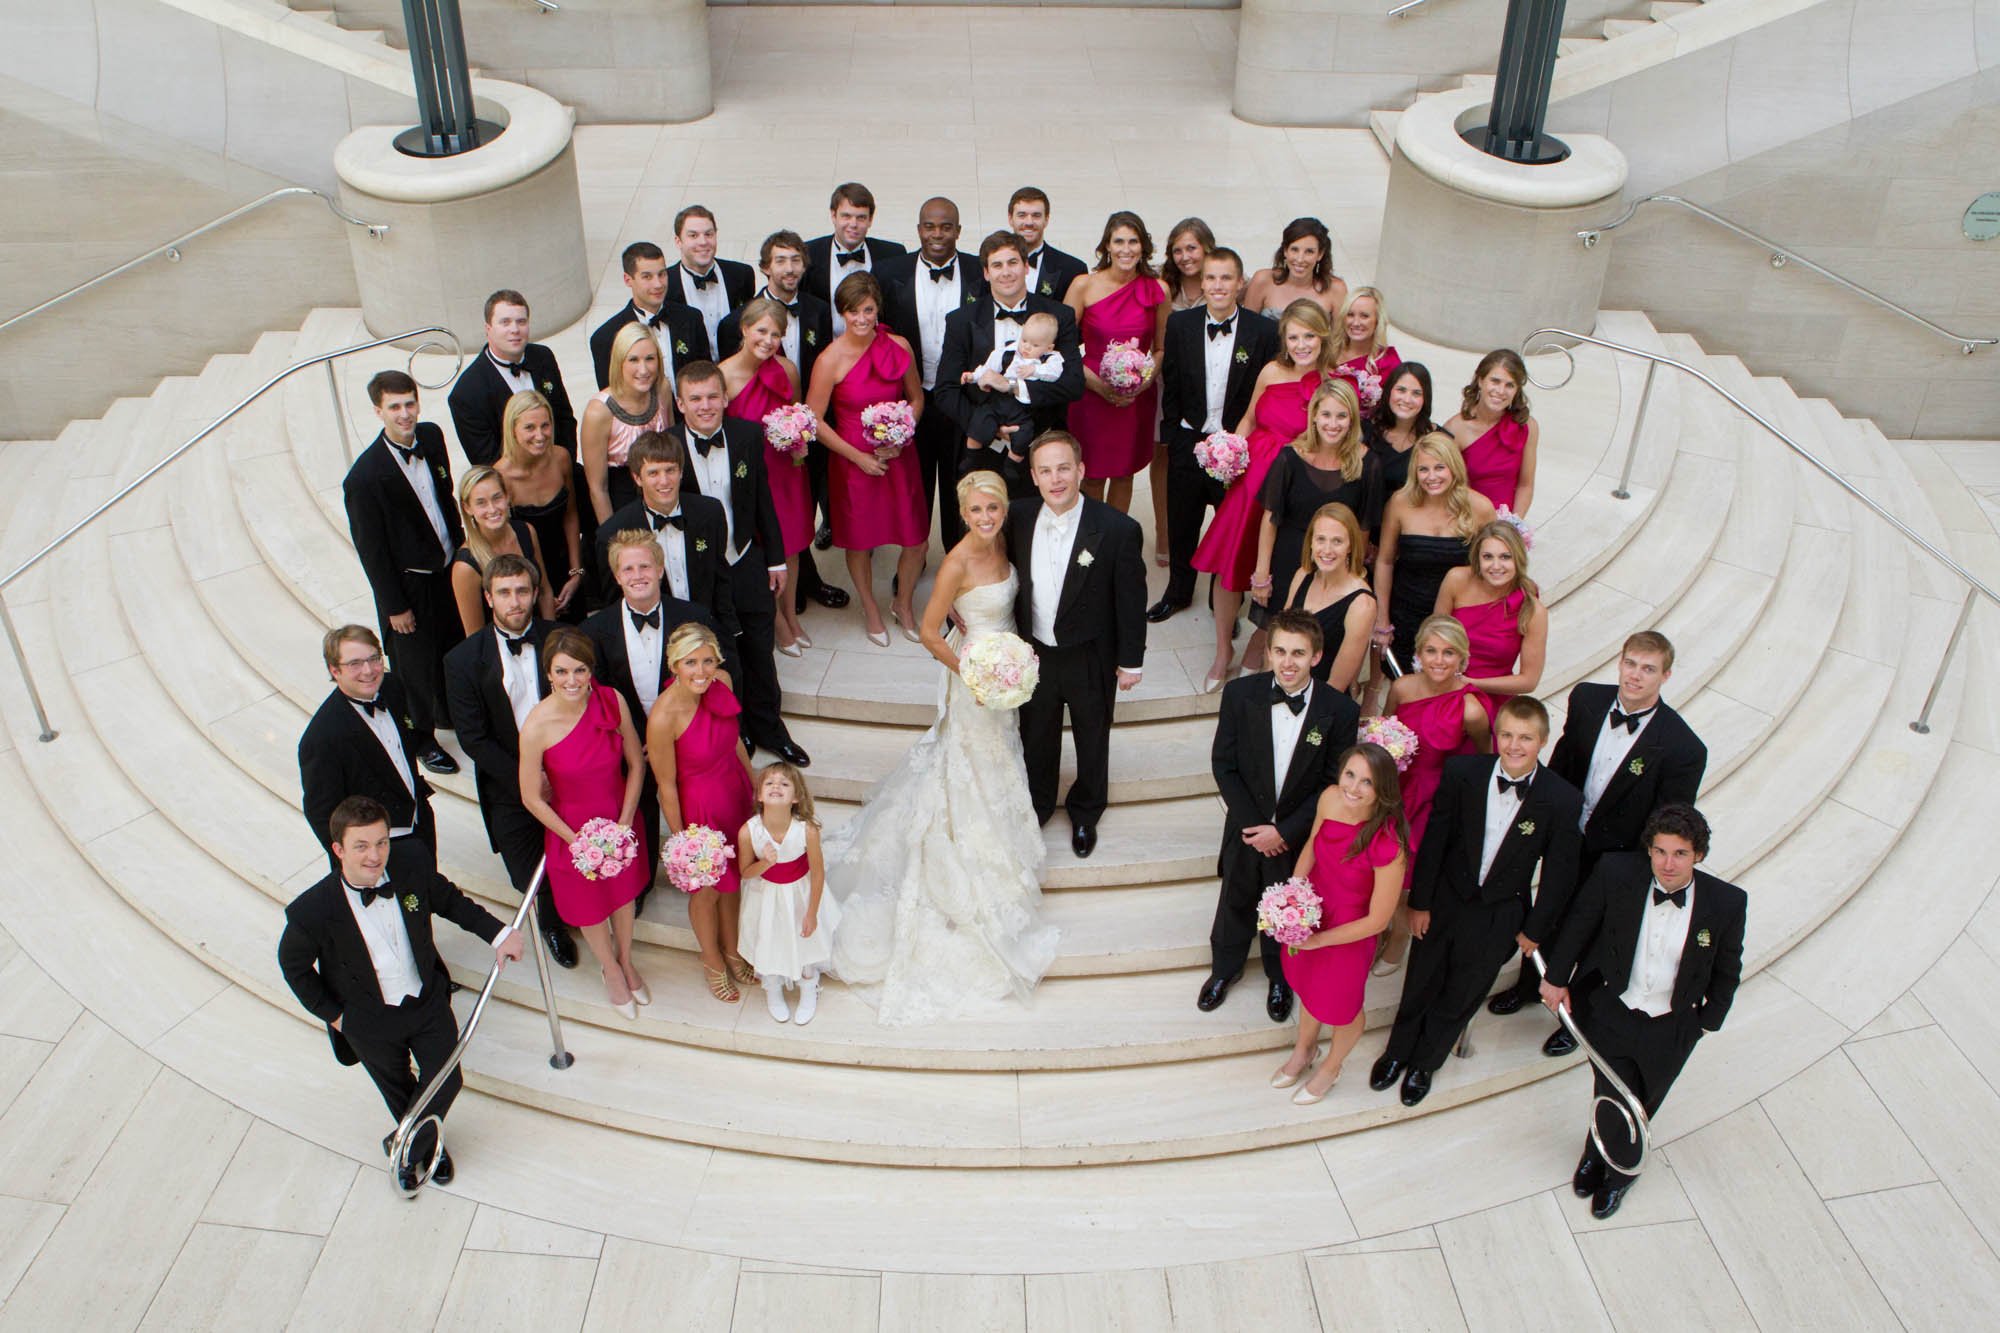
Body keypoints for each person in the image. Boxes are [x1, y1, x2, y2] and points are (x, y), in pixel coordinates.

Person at [823, 470, 1059, 1023]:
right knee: (971, 762)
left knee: (1002, 757)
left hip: (1005, 668)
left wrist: (1007, 668)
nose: (985, 519)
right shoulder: (955, 561)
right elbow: (931, 632)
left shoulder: (1006, 539)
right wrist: (975, 674)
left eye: (993, 510)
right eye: (976, 511)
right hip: (975, 674)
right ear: (962, 512)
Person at [278, 796, 523, 1190]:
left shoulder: (410, 864)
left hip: (425, 1001)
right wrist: (338, 1017)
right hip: (366, 1019)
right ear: (338, 849)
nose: (375, 856)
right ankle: (429, 1150)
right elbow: (293, 967)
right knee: (400, 1090)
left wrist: (498, 933)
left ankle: (405, 1145)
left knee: (447, 1078)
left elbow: (450, 902)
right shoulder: (312, 910)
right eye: (361, 845)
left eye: (381, 842)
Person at [1489, 631, 1707, 1053]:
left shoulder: (1683, 747)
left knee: (1593, 935)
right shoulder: (1587, 699)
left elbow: (1669, 820)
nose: (1636, 676)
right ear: (1620, 662)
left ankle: (1578, 1021)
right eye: (1631, 664)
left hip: (1619, 855)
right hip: (1568, 835)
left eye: (1648, 669)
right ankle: (1529, 985)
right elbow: (1564, 763)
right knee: (1549, 910)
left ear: (1666, 675)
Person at [1369, 695, 1582, 1106]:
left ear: (1543, 741)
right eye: (1506, 734)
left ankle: (1425, 1064)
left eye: (1526, 738)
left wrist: (1534, 929)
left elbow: (1559, 875)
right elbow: (1435, 842)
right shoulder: (1463, 772)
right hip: (1445, 900)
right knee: (1421, 980)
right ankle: (1397, 1052)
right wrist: (1421, 902)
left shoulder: (1562, 799)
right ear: (1496, 734)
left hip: (1500, 914)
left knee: (1463, 992)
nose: (1514, 745)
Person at [1538, 804, 1745, 1219]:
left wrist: (1706, 1022)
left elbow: (1728, 966)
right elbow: (1579, 924)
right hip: (1613, 1009)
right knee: (1613, 1090)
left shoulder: (1726, 902)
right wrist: (1556, 978)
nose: (1668, 864)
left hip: (1673, 1025)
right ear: (1648, 850)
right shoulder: (1615, 874)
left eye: (1680, 853)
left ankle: (1619, 1171)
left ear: (1698, 855)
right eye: (1660, 851)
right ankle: (1602, 1158)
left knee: (1645, 1100)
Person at [1202, 610, 1357, 1022]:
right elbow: (1224, 764)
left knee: (1288, 904)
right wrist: (1256, 827)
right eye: (1281, 651)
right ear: (1268, 652)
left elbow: (1332, 783)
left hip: (1298, 834)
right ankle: (1223, 970)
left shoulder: (1340, 710)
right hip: (1247, 826)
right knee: (1235, 897)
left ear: (1317, 656)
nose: (1288, 662)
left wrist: (1285, 831)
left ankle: (1279, 978)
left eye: (1299, 653)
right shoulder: (1240, 695)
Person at [1007, 433, 1148, 857]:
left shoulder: (1118, 529)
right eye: (1046, 470)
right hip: (1036, 653)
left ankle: (1086, 810)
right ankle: (1039, 803)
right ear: (1033, 476)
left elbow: (1131, 601)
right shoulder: (1017, 517)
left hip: (1091, 655)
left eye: (1064, 468)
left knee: (1092, 736)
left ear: (1081, 470)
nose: (1056, 479)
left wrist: (1131, 662)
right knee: (1038, 735)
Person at [671, 360, 810, 768]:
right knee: (720, 652)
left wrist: (776, 560)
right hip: (701, 569)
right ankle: (738, 728)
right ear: (680, 403)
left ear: (725, 397)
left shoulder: (747, 435)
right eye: (695, 399)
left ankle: (770, 727)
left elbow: (762, 500)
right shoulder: (670, 446)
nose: (706, 405)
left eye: (713, 396)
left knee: (759, 647)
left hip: (747, 556)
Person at [441, 555, 577, 969]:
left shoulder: (564, 639)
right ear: (488, 598)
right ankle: (552, 922)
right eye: (504, 592)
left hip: (571, 772)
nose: (514, 601)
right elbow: (473, 739)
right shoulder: (462, 660)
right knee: (527, 873)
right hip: (508, 782)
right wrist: (529, 779)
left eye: (521, 591)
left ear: (536, 594)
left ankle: (585, 912)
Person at [1192, 299, 1332, 692]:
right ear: (1283, 338)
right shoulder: (1271, 370)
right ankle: (1222, 650)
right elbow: (1251, 416)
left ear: (1322, 337)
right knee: (1229, 566)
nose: (1302, 344)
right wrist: (1230, 450)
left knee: (1279, 568)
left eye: (1309, 336)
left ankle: (1259, 640)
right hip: (1253, 476)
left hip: (1296, 481)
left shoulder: (1333, 382)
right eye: (1294, 336)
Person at [517, 628, 650, 1018]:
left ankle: (626, 960)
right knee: (591, 908)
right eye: (561, 672)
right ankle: (609, 969)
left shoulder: (612, 700)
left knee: (623, 897)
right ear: (548, 674)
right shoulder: (536, 725)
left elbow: (636, 764)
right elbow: (529, 796)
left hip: (619, 815)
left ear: (591, 670)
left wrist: (624, 823)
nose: (571, 680)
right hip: (570, 832)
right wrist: (577, 840)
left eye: (579, 670)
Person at [580, 528, 723, 879]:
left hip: (687, 741)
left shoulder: (695, 617)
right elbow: (597, 696)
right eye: (628, 569)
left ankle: (703, 868)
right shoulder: (595, 629)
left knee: (696, 808)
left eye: (644, 566)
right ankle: (641, 880)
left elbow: (718, 680)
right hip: (631, 745)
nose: (637, 576)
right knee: (639, 813)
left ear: (660, 569)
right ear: (616, 576)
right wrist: (633, 741)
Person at [1271, 744, 1408, 1105]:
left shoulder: (1389, 845)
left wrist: (1321, 941)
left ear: (1383, 790)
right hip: (1313, 913)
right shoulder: (1330, 798)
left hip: (1350, 930)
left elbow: (1378, 920)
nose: (1354, 787)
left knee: (1344, 1009)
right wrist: (1293, 897)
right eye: (1350, 774)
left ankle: (1331, 1066)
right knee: (1308, 986)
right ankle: (1304, 1050)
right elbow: (1313, 846)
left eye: (1367, 782)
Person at [717, 230, 848, 598]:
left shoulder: (818, 310)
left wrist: (803, 427)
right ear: (765, 267)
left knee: (800, 513)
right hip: (753, 443)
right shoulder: (734, 323)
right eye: (780, 261)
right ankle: (782, 593)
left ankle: (805, 581)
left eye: (795, 261)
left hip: (803, 422)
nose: (789, 269)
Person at [340, 373, 461, 771]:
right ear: (378, 411)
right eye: (394, 407)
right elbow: (372, 552)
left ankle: (453, 714)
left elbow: (446, 498)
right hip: (409, 585)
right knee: (415, 669)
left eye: (409, 403)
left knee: (452, 648)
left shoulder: (432, 437)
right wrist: (395, 605)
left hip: (448, 569)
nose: (404, 414)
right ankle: (422, 739)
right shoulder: (364, 478)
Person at [1151, 248, 1278, 623]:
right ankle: (1178, 591)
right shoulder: (1181, 325)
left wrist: (1244, 445)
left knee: (1232, 531)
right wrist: (1174, 436)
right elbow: (1170, 383)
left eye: (1226, 278)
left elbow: (1264, 394)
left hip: (1237, 449)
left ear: (1240, 283)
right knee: (1182, 524)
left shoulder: (1263, 331)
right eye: (1211, 278)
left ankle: (1223, 604)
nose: (1218, 285)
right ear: (1201, 282)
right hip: (1189, 442)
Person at [807, 271, 928, 646]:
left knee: (917, 539)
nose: (861, 319)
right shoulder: (830, 359)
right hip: (852, 464)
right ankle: (870, 607)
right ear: (842, 313)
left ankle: (903, 603)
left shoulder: (899, 346)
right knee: (859, 542)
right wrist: (858, 457)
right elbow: (813, 419)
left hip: (897, 457)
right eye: (852, 312)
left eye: (868, 310)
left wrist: (904, 433)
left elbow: (917, 398)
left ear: (878, 310)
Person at [647, 622, 758, 1003]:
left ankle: (732, 948)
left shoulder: (721, 682)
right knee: (708, 890)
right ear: (674, 664)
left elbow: (735, 739)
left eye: (707, 661)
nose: (701, 671)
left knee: (736, 880)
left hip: (735, 791)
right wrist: (684, 842)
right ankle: (712, 960)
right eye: (690, 662)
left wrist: (753, 779)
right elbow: (665, 785)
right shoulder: (663, 717)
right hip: (700, 809)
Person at [933, 231, 1086, 498]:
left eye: (1013, 262)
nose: (1006, 272)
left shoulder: (1059, 316)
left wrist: (1016, 387)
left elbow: (1073, 385)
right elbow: (946, 390)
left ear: (1026, 267)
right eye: (997, 265)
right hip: (982, 446)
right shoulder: (960, 320)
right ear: (986, 273)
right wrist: (991, 429)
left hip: (1040, 445)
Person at [882, 197, 988, 548]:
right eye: (930, 226)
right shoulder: (889, 272)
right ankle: (913, 557)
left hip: (962, 398)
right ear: (918, 230)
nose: (937, 234)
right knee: (915, 485)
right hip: (912, 399)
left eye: (946, 227)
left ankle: (959, 561)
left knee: (964, 483)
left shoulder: (980, 272)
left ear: (958, 230)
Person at [299, 624, 440, 875]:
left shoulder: (393, 688)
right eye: (354, 664)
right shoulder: (322, 737)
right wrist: (361, 862)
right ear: (335, 670)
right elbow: (322, 814)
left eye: (373, 659)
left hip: (419, 826)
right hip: (377, 852)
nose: (368, 671)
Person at [719, 297, 815, 656]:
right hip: (749, 477)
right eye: (761, 330)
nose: (768, 340)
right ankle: (775, 621)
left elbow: (799, 414)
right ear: (744, 330)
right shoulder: (724, 376)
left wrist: (800, 443)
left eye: (776, 334)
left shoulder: (787, 370)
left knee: (790, 546)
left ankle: (791, 614)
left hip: (786, 471)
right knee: (760, 550)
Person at [1065, 210, 1169, 513]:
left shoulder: (1158, 289)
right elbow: (1063, 346)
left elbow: (1161, 348)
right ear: (1107, 246)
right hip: (1090, 392)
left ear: (1143, 246)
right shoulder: (1084, 285)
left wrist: (1144, 382)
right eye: (1119, 241)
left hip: (1135, 395)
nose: (1126, 249)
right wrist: (1095, 384)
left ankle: (1116, 542)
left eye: (1133, 241)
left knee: (1124, 474)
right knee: (1092, 475)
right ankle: (1090, 540)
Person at [1253, 378, 1381, 624]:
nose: (1333, 424)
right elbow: (1270, 518)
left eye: (1341, 416)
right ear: (1314, 416)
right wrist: (1262, 574)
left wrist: (1353, 576)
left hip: (1335, 564)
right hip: (1288, 558)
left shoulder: (1369, 464)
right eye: (1326, 415)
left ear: (1352, 419)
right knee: (1276, 635)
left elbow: (1363, 527)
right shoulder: (1289, 458)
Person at [1373, 432, 1496, 675]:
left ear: (1453, 467)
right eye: (1423, 469)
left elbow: (1492, 568)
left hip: (1458, 619)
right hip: (1406, 613)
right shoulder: (1400, 503)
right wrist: (1382, 619)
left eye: (1439, 467)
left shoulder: (1481, 508)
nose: (1431, 477)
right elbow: (1385, 562)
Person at [590, 432, 735, 623]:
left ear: (681, 472)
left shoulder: (710, 513)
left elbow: (720, 581)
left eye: (670, 470)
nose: (664, 481)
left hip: (705, 629)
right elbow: (613, 603)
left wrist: (729, 633)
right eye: (653, 473)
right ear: (637, 478)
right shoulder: (612, 532)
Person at [736, 761, 839, 1025]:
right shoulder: (749, 831)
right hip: (765, 895)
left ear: (795, 797)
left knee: (804, 938)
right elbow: (745, 872)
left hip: (800, 894)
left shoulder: (807, 830)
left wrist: (812, 912)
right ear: (759, 795)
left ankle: (808, 985)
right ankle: (772, 987)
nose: (776, 787)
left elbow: (817, 873)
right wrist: (765, 863)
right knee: (770, 937)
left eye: (784, 783)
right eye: (769, 783)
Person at [448, 289, 578, 468]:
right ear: (488, 329)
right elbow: (487, 460)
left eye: (521, 322)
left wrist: (563, 466)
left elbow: (564, 419)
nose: (515, 330)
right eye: (505, 322)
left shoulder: (543, 357)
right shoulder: (467, 392)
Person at [1154, 217, 1221, 566]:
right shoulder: (1164, 288)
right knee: (1163, 456)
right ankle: (1165, 535)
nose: (1184, 256)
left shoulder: (1225, 287)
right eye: (1177, 249)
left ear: (1207, 248)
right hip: (1171, 382)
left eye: (1191, 247)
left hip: (1214, 388)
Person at [493, 390, 586, 621]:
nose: (540, 435)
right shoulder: (500, 477)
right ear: (512, 429)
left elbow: (571, 515)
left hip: (566, 568)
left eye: (545, 426)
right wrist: (540, 593)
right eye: (529, 428)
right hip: (526, 579)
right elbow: (503, 543)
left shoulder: (561, 458)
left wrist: (576, 573)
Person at [1438, 520, 1546, 699]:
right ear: (1477, 557)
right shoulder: (1456, 579)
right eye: (1488, 557)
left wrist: (1470, 683)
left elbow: (1529, 681)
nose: (1496, 566)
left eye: (1505, 557)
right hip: (1443, 682)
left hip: (1492, 695)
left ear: (1518, 558)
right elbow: (1434, 636)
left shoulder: (1534, 611)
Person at [581, 322, 673, 524]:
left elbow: (671, 448)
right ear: (619, 362)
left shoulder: (662, 390)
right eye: (633, 360)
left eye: (650, 358)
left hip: (663, 495)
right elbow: (598, 488)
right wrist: (614, 539)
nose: (643, 369)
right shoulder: (599, 412)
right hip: (622, 503)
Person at [591, 240, 712, 392]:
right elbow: (612, 396)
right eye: (647, 277)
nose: (658, 284)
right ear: (628, 280)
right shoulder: (606, 337)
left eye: (662, 274)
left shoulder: (691, 318)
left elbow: (705, 375)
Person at [1280, 503, 1376, 690]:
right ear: (1311, 542)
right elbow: (1280, 638)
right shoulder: (1303, 575)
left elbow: (1337, 685)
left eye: (1337, 541)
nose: (1327, 550)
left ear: (1350, 546)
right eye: (1321, 539)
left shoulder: (1362, 603)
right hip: (1285, 683)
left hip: (1322, 699)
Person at [450, 465, 554, 635]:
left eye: (497, 498)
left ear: (507, 497)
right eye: (481, 503)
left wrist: (551, 639)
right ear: (468, 508)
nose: (492, 509)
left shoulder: (526, 532)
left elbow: (544, 592)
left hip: (539, 634)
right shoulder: (465, 566)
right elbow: (475, 635)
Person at [1445, 349, 1540, 517]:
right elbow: (1451, 488)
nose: (1501, 391)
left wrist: (1514, 524)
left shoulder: (1528, 427)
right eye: (1495, 381)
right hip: (1466, 518)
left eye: (1510, 385)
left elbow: (1525, 485)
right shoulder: (1456, 428)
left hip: (1507, 523)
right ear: (1480, 380)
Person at [805, 182, 908, 332]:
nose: (853, 224)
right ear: (833, 215)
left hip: (877, 349)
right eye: (846, 216)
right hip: (827, 350)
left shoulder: (893, 254)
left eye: (861, 218)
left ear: (870, 220)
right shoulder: (809, 254)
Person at [958, 311, 1066, 452]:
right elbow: (989, 368)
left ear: (1049, 348)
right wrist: (973, 376)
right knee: (979, 423)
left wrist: (1034, 370)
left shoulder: (1051, 359)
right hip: (999, 400)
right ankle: (971, 457)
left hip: (1024, 408)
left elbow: (1054, 373)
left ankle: (1013, 463)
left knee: (1024, 435)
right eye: (1024, 340)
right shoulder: (1009, 351)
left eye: (1035, 345)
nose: (1026, 347)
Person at [662, 204, 756, 351]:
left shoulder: (742, 275)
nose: (703, 242)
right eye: (693, 235)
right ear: (678, 241)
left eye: (709, 234)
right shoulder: (665, 284)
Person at [1362, 362, 1436, 522]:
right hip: (1365, 530)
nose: (1407, 399)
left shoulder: (1437, 440)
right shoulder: (1365, 432)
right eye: (1401, 390)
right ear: (1389, 392)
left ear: (1425, 399)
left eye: (1416, 393)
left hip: (1413, 531)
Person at [1245, 218, 1346, 322]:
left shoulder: (1336, 289)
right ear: (1285, 250)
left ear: (1320, 254)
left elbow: (1339, 337)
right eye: (1294, 249)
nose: (1300, 259)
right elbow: (1245, 329)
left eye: (1309, 251)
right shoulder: (1262, 280)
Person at [1006, 186, 1089, 302]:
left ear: (1046, 219)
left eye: (1036, 215)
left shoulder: (1073, 269)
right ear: (1010, 219)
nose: (1029, 222)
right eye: (1022, 215)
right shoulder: (987, 265)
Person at [1327, 286, 1400, 413]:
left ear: (1377, 320)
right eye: (1350, 315)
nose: (1356, 323)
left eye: (1364, 316)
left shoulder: (1389, 362)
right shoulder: (1328, 352)